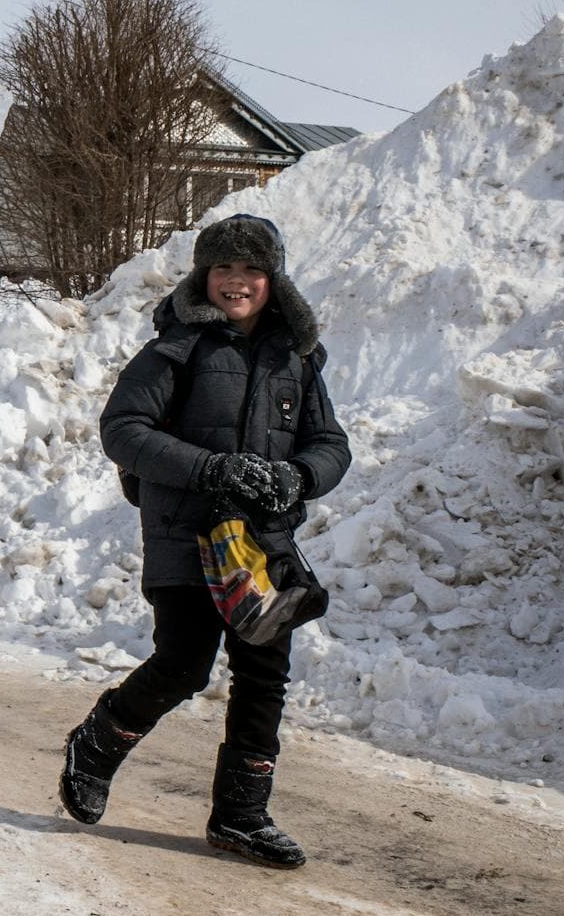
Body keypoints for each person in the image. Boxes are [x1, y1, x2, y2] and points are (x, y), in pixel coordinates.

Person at [66, 214, 351, 868]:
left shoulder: (296, 355)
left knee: (263, 674)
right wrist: (212, 468)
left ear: (271, 277)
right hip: (185, 533)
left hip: (261, 544)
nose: (237, 282)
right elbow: (123, 428)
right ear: (204, 274)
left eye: (251, 269)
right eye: (223, 268)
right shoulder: (178, 346)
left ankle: (241, 816)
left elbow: (331, 444)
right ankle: (98, 743)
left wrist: (299, 475)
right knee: (184, 663)